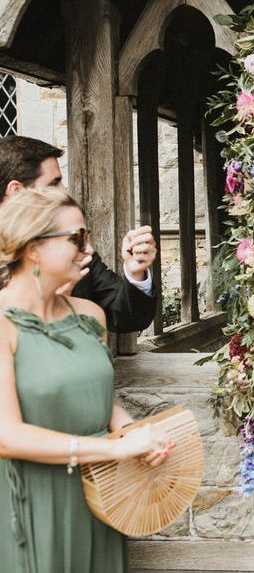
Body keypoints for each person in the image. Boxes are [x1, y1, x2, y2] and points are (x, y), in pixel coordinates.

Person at [0, 188, 173, 572]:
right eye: (76, 239)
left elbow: (93, 396)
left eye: (87, 237)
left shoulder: (90, 315)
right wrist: (115, 450)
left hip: (101, 492)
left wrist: (131, 431)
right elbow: (6, 437)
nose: (88, 250)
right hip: (35, 496)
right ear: (32, 248)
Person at [0, 135, 157, 333]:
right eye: (54, 183)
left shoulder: (75, 249)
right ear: (16, 190)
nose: (64, 191)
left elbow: (125, 318)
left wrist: (136, 273)